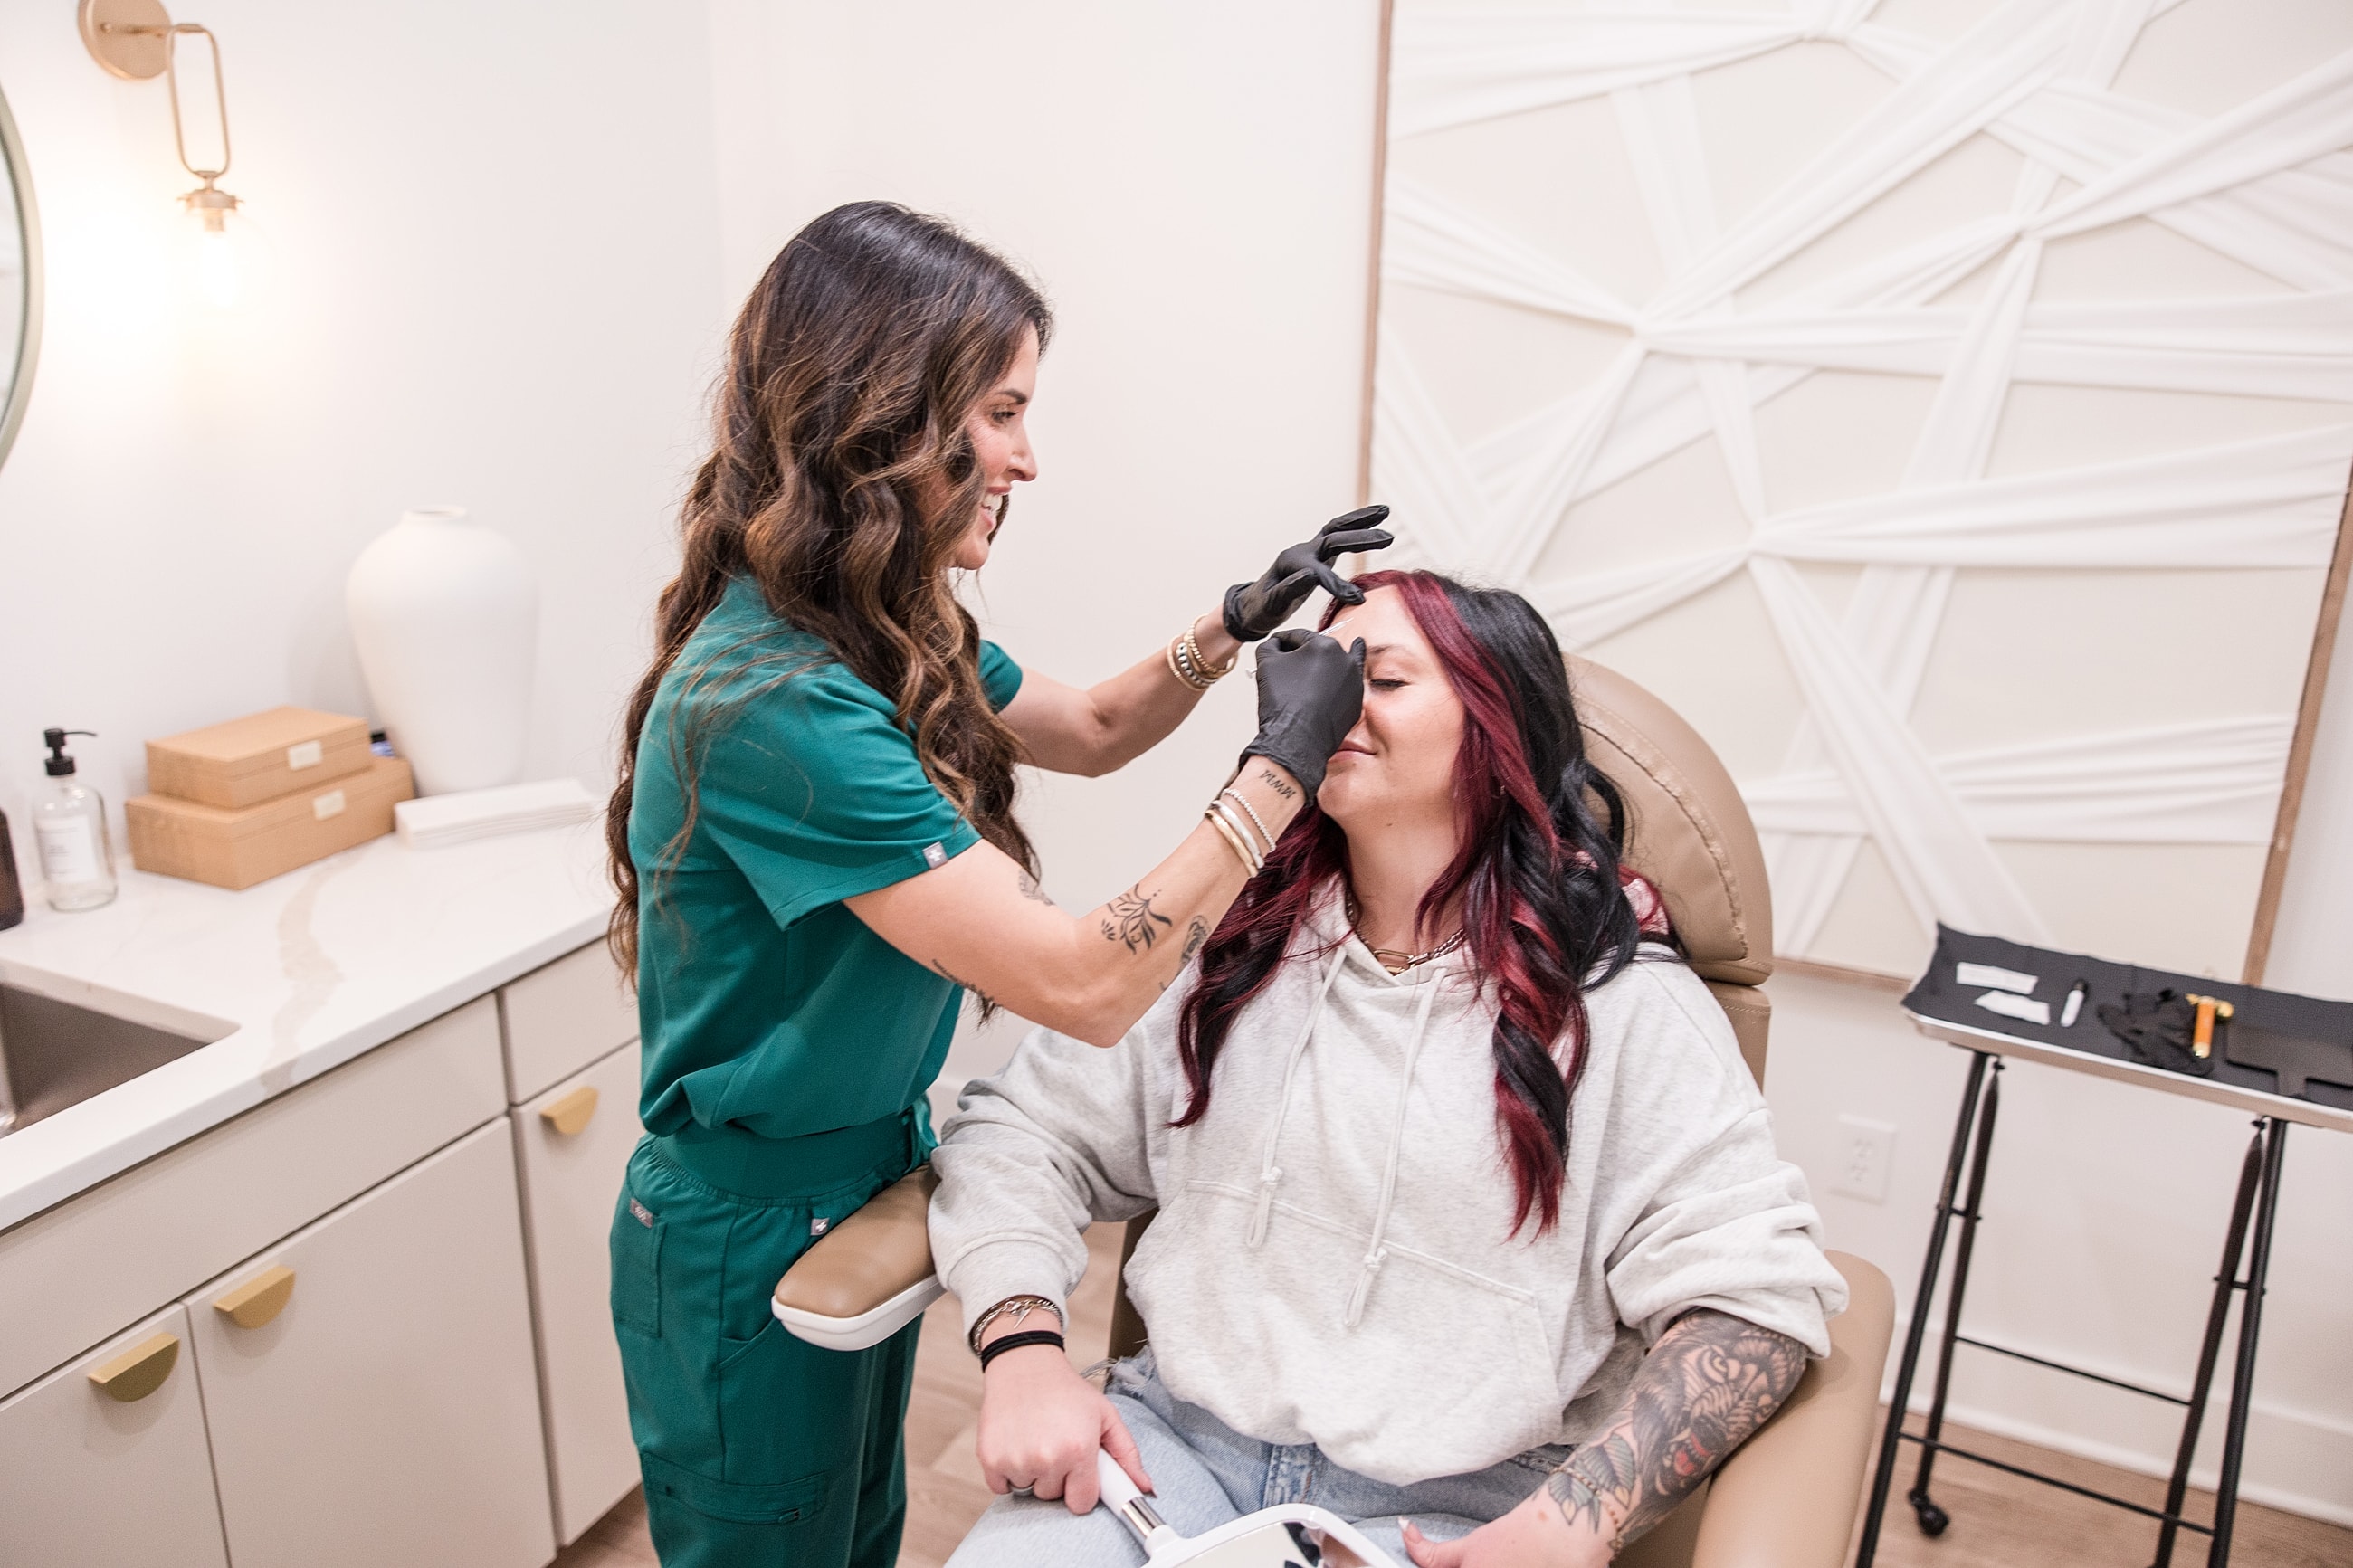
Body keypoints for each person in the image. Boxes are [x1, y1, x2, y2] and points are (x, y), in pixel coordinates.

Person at [603, 199, 1389, 1568]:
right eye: (1004, 413)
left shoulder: (881, 624)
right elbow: (1084, 982)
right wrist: (1282, 765)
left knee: (861, 1536)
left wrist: (1231, 623)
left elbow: (1085, 729)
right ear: (885, 412)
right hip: (744, 1224)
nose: (1029, 456)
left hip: (867, 1166)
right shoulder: (772, 702)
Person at [929, 571, 1851, 1568]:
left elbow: (1753, 1302)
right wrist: (1020, 1346)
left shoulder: (1622, 1006)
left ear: (1497, 732)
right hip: (1164, 1452)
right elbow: (1022, 1130)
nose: (1326, 704)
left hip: (1451, 1513)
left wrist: (1575, 1513)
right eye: (1325, 670)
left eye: (1386, 676)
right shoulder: (1229, 953)